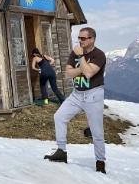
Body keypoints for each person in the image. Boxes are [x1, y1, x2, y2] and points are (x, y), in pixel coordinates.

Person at [44, 27, 107, 174]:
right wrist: (82, 68)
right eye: (79, 38)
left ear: (92, 39)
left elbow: (90, 73)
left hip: (93, 95)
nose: (80, 41)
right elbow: (68, 73)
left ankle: (100, 162)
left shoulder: (99, 55)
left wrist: (81, 60)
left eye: (83, 38)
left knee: (96, 131)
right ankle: (61, 151)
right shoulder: (76, 52)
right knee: (59, 116)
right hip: (77, 94)